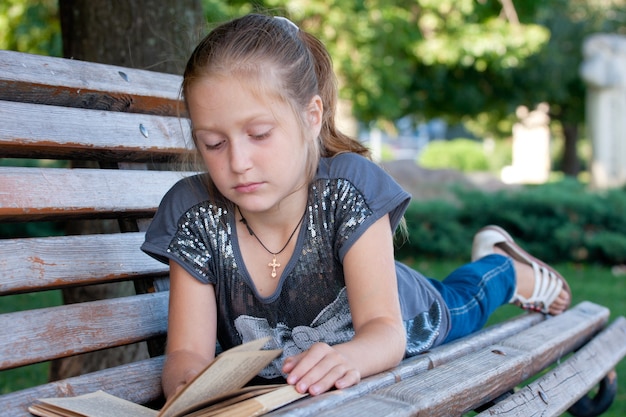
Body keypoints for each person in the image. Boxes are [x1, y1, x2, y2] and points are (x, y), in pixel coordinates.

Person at [141, 13, 571, 400]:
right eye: (213, 144)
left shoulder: (348, 188)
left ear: (311, 118)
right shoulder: (193, 213)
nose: (237, 162)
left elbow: (385, 332)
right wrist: (187, 387)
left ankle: (504, 268)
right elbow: (185, 352)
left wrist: (351, 357)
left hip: (406, 313)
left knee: (465, 301)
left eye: (259, 134)